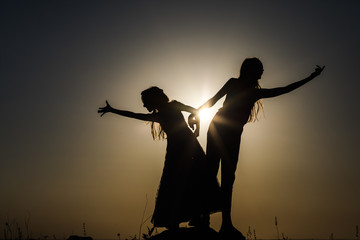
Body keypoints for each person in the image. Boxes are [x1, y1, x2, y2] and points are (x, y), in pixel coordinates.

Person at [188, 58, 325, 238]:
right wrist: (195, 112)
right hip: (219, 130)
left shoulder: (252, 92)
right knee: (213, 173)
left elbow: (284, 90)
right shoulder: (236, 84)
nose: (261, 74)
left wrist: (310, 78)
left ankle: (223, 223)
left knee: (226, 177)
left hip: (231, 134)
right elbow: (213, 101)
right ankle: (205, 219)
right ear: (250, 70)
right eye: (259, 70)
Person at [98, 86, 220, 230]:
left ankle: (192, 220)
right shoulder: (168, 110)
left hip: (182, 150)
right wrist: (196, 128)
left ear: (153, 99)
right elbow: (194, 112)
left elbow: (134, 115)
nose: (144, 105)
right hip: (184, 148)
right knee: (191, 180)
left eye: (145, 101)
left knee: (183, 182)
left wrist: (197, 127)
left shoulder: (168, 110)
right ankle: (195, 219)